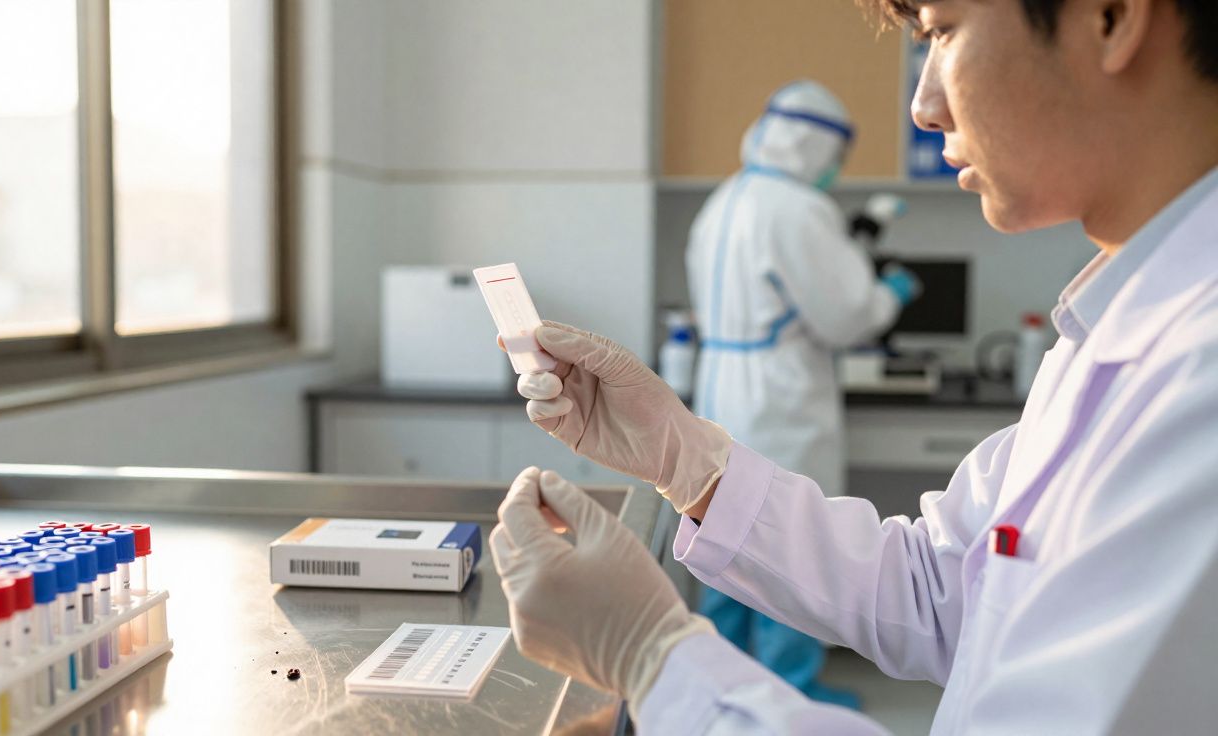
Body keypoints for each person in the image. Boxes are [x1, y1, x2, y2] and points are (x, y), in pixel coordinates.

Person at [492, 0, 1218, 732]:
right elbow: (942, 590)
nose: (924, 106)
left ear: (1111, 16)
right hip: (782, 387)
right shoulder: (1114, 331)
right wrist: (688, 460)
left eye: (940, 30)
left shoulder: (1198, 376)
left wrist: (657, 661)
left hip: (734, 375)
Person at [683, 79, 918, 708]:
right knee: (787, 542)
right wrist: (887, 295)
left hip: (721, 384)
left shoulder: (725, 199)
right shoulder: (797, 208)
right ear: (820, 147)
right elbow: (845, 316)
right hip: (780, 395)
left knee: (726, 534)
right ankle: (789, 689)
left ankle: (723, 681)